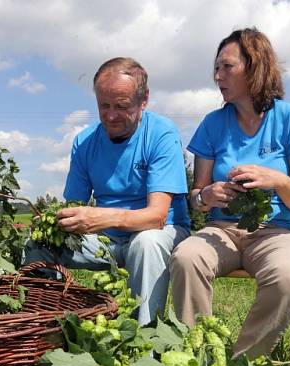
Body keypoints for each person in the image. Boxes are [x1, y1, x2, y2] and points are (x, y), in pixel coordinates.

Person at [169, 28, 290, 359]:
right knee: (186, 257)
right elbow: (194, 199)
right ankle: (195, 363)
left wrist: (277, 180)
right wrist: (207, 195)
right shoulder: (212, 124)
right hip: (220, 230)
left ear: (255, 67)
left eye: (227, 67)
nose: (217, 76)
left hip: (275, 232)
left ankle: (243, 365)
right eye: (216, 68)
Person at [23, 57, 191, 326]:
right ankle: (42, 324)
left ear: (143, 100)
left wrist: (103, 218)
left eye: (122, 106)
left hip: (161, 232)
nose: (111, 116)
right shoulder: (85, 141)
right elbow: (75, 204)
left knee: (145, 243)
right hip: (108, 241)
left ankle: (144, 341)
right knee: (40, 243)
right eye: (104, 106)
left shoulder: (161, 134)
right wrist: (55, 222)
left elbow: (156, 217)